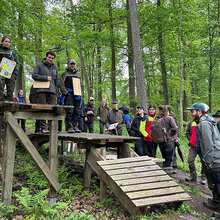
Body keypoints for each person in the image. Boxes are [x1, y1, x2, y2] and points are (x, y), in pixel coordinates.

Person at [187, 103, 220, 211]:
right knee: (215, 182)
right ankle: (216, 201)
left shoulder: (204, 124)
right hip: (215, 156)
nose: (191, 114)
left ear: (199, 112)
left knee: (215, 182)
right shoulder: (207, 121)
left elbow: (208, 144)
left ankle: (217, 203)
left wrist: (208, 161)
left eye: (193, 111)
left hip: (213, 158)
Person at [32, 51, 58, 133]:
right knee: (42, 108)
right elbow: (34, 75)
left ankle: (51, 128)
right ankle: (44, 127)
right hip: (41, 90)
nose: (50, 59)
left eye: (52, 58)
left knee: (52, 109)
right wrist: (45, 78)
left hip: (52, 90)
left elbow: (56, 81)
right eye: (49, 57)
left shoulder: (54, 68)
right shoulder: (39, 65)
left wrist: (57, 92)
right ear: (46, 57)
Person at [59, 59, 81, 133]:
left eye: (73, 64)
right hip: (69, 94)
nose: (72, 65)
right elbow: (61, 84)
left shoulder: (78, 75)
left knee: (77, 111)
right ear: (69, 64)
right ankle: (69, 126)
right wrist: (66, 92)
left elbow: (80, 85)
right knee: (69, 110)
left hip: (77, 95)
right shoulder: (65, 74)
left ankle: (75, 126)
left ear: (75, 65)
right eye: (71, 64)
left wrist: (79, 92)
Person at [0, 36, 19, 101]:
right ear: (2, 42)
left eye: (9, 42)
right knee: (0, 88)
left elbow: (16, 63)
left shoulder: (12, 52)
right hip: (0, 73)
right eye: (6, 41)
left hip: (10, 73)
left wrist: (15, 73)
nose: (7, 43)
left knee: (10, 90)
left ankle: (10, 105)